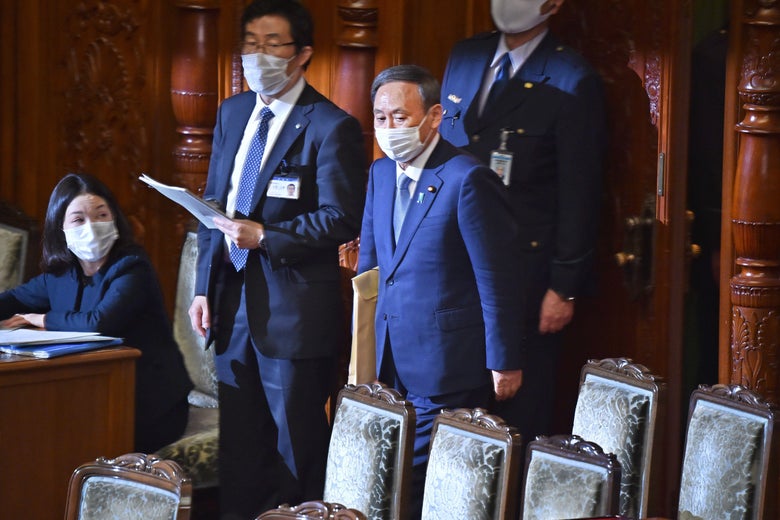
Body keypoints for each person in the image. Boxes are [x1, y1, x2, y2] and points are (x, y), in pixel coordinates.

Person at [186, 0, 366, 517]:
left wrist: (266, 236)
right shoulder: (233, 111)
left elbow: (341, 216)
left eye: (272, 44)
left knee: (296, 449)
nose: (257, 55)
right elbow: (212, 206)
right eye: (251, 43)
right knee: (240, 449)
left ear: (303, 54)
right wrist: (202, 287)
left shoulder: (331, 126)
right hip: (230, 302)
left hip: (292, 314)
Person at [358, 64, 525, 517]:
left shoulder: (466, 179)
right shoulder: (378, 174)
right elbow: (371, 271)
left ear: (433, 116)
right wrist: (362, 353)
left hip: (445, 363)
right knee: (386, 476)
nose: (389, 128)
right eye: (380, 118)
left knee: (416, 484)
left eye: (400, 117)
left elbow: (497, 276)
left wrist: (503, 359)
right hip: (387, 360)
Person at [439, 0, 606, 446]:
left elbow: (579, 191)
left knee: (518, 415)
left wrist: (564, 284)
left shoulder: (572, 77)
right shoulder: (466, 55)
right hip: (455, 264)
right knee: (460, 410)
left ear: (552, 5)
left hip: (525, 276)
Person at [0, 173, 193, 453]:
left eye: (101, 215)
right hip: (91, 395)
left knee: (57, 440)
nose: (92, 226)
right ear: (60, 228)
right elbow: (15, 298)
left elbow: (100, 323)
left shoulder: (132, 266)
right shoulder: (60, 273)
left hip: (148, 403)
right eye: (78, 219)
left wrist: (42, 319)